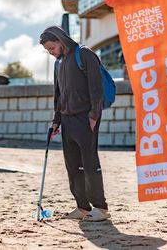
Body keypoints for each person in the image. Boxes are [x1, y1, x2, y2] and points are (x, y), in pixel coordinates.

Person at [39, 26, 110, 222]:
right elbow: (58, 95)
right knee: (72, 165)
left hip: (86, 118)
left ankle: (101, 208)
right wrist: (56, 120)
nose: (51, 53)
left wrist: (94, 116)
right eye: (48, 51)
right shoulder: (58, 63)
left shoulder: (84, 54)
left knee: (89, 163)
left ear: (61, 41)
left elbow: (97, 88)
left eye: (52, 48)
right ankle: (82, 206)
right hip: (67, 119)